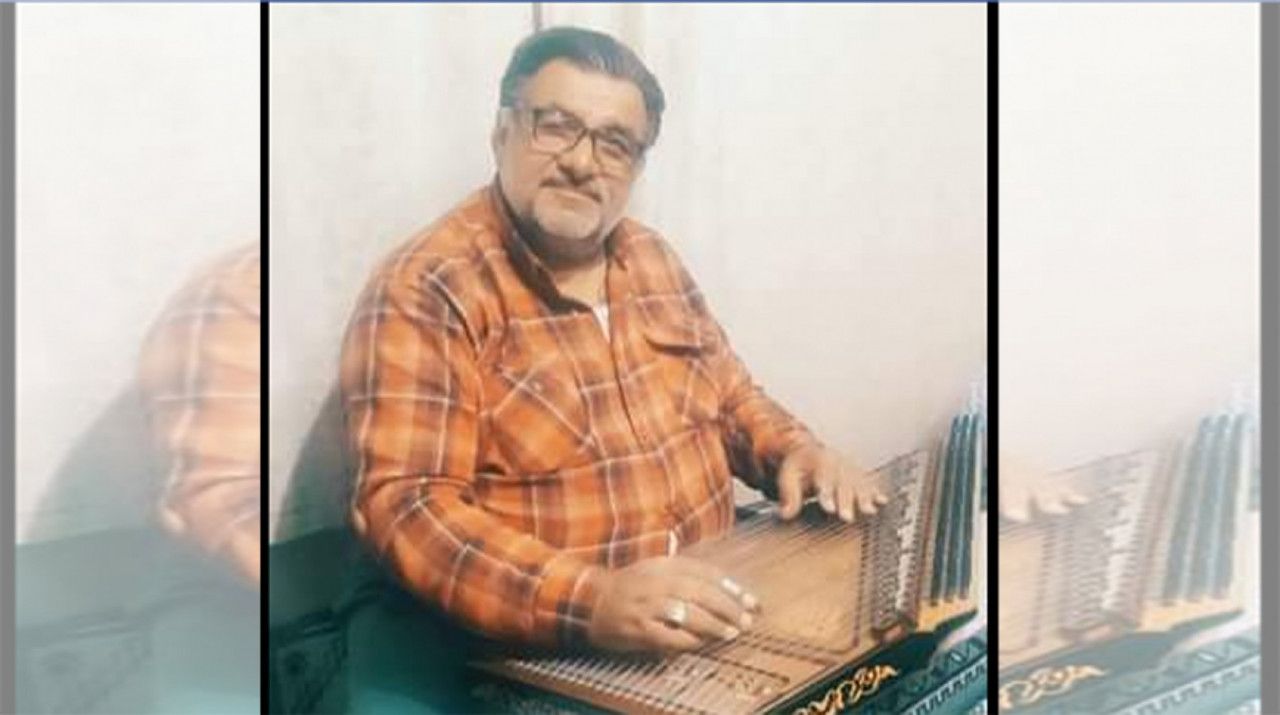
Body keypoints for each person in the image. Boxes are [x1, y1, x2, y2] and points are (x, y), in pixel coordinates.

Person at [339, 26, 884, 679]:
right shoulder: (429, 287)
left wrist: (797, 452)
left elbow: (732, 400)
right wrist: (592, 600)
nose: (582, 162)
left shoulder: (651, 257)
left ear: (635, 168)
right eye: (556, 126)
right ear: (502, 132)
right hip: (561, 652)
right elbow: (408, 506)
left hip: (715, 609)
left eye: (614, 143)